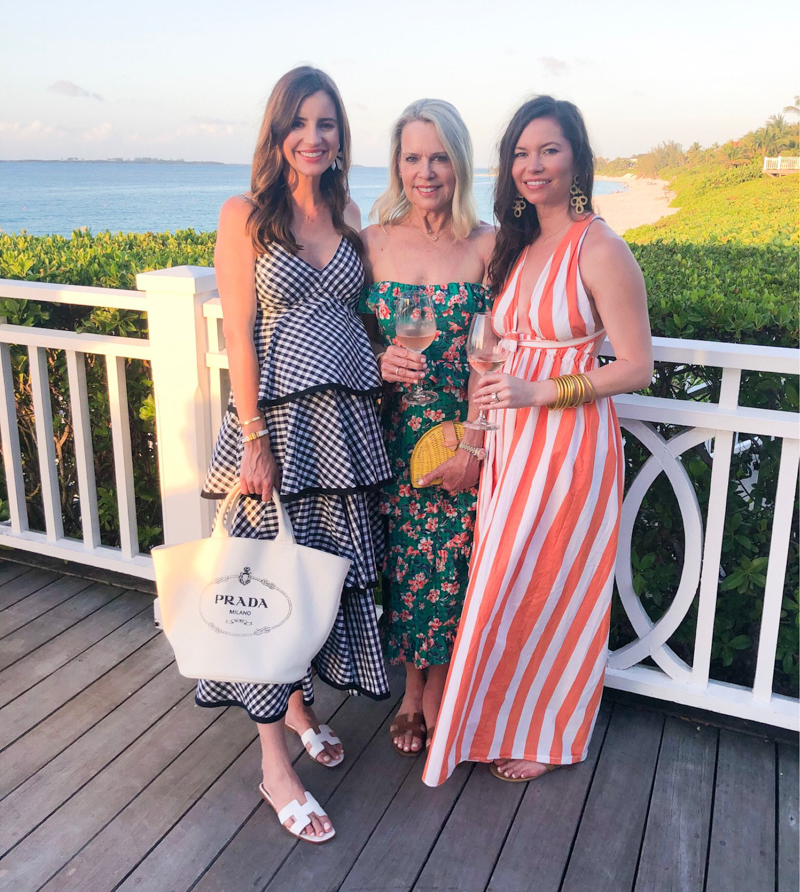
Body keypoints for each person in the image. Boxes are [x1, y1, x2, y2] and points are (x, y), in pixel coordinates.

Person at [423, 96, 653, 786]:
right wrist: (481, 433)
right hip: (512, 446)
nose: (533, 165)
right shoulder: (517, 245)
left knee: (558, 585)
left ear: (577, 157)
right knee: (507, 584)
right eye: (520, 154)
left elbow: (637, 365)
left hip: (570, 447)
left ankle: (553, 735)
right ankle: (493, 721)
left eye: (548, 150)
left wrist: (543, 391)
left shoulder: (601, 246)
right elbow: (491, 353)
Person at [198, 67, 392, 842]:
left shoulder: (348, 213)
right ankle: (275, 765)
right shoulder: (245, 214)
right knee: (264, 593)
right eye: (300, 123)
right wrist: (253, 436)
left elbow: (366, 318)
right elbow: (239, 332)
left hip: (343, 430)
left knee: (316, 579)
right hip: (276, 430)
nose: (315, 137)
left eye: (328, 123)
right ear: (277, 134)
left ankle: (303, 705)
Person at [361, 99, 495, 756]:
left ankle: (437, 687)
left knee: (452, 561)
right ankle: (412, 690)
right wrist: (376, 359)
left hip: (455, 433)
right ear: (397, 165)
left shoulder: (487, 244)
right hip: (390, 429)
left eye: (439, 156)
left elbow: (498, 350)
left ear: (460, 163)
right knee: (406, 564)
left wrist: (475, 440)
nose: (426, 171)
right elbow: (344, 337)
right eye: (412, 157)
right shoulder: (375, 241)